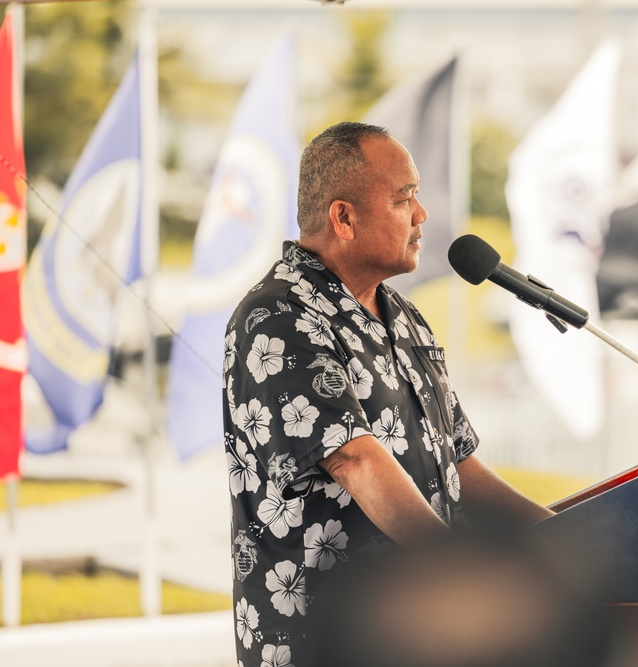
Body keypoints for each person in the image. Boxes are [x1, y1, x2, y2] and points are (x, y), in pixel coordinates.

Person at [223, 121, 554, 667]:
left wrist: (567, 542)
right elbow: (355, 458)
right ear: (344, 217)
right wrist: (468, 572)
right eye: (404, 200)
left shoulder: (403, 316)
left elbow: (461, 469)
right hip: (325, 640)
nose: (422, 215)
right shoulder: (278, 316)